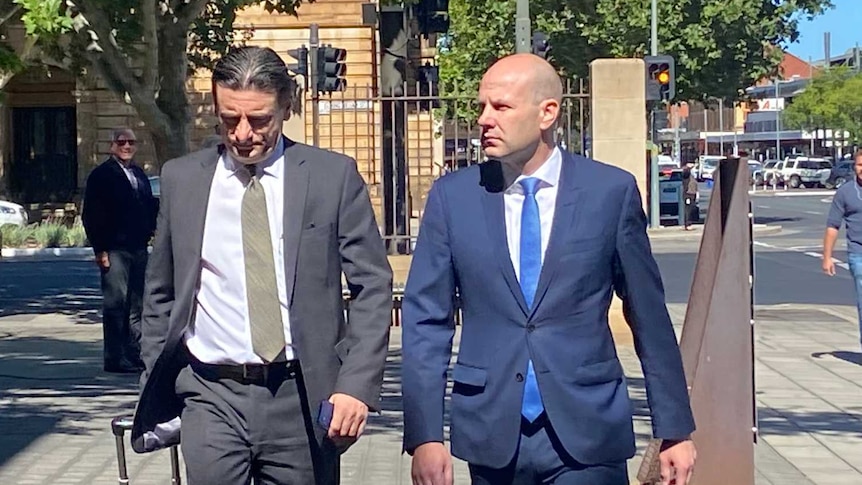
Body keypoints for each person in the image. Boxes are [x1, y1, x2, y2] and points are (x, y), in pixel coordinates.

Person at [401, 53, 696, 485]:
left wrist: (674, 429)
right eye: (481, 106)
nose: (484, 119)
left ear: (547, 112)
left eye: (500, 107)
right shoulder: (454, 198)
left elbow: (648, 315)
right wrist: (425, 435)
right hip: (492, 431)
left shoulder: (609, 193)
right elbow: (426, 320)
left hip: (588, 430)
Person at [130, 46, 393, 485]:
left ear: (287, 107)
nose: (243, 133)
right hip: (209, 392)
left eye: (259, 119)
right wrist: (155, 377)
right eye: (229, 119)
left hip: (301, 395)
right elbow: (160, 290)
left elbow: (373, 286)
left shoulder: (332, 177)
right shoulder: (184, 179)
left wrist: (356, 384)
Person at [82, 128, 157, 373]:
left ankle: (133, 353)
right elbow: (92, 214)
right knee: (117, 304)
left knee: (137, 305)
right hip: (114, 249)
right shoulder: (102, 175)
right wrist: (100, 249)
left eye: (131, 142)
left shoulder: (138, 174)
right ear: (112, 145)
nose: (126, 146)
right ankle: (114, 357)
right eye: (121, 142)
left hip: (138, 248)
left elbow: (147, 207)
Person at [822, 148, 862, 349]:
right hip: (859, 254)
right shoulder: (846, 192)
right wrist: (827, 257)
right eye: (859, 165)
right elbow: (832, 226)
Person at [682, 164, 698, 230]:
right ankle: (687, 224)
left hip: (692, 194)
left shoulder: (692, 176)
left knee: (691, 209)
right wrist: (688, 167)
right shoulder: (686, 176)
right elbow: (685, 173)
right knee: (688, 209)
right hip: (687, 194)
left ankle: (690, 223)